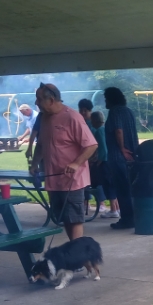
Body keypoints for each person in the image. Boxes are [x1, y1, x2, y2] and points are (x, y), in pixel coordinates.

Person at [29, 83, 97, 241]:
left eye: (39, 99)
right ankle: (75, 252)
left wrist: (75, 163)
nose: (36, 103)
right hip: (54, 178)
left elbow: (91, 145)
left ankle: (78, 257)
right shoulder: (44, 118)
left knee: (75, 219)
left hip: (72, 179)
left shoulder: (72, 117)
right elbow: (41, 144)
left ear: (51, 100)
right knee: (64, 218)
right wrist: (34, 164)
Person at [102, 87, 138, 230]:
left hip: (118, 156)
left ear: (111, 99)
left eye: (106, 99)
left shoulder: (115, 111)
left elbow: (118, 130)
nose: (105, 102)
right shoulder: (128, 111)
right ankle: (135, 217)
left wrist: (122, 148)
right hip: (132, 156)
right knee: (130, 188)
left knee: (122, 189)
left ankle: (127, 220)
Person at [90, 111, 121, 218]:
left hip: (105, 162)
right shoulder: (106, 129)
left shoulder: (99, 131)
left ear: (94, 120)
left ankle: (113, 209)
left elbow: (103, 148)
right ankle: (117, 207)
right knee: (113, 183)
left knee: (108, 185)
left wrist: (99, 160)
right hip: (111, 161)